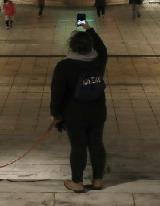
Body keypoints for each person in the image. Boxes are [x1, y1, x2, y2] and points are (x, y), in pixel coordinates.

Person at [50, 22, 109, 193]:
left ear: (72, 47)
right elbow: (102, 48)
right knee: (97, 144)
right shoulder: (98, 61)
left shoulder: (64, 66)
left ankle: (77, 181)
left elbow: (57, 94)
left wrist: (56, 114)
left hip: (74, 114)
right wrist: (90, 29)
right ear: (90, 46)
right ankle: (98, 180)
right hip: (97, 111)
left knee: (78, 146)